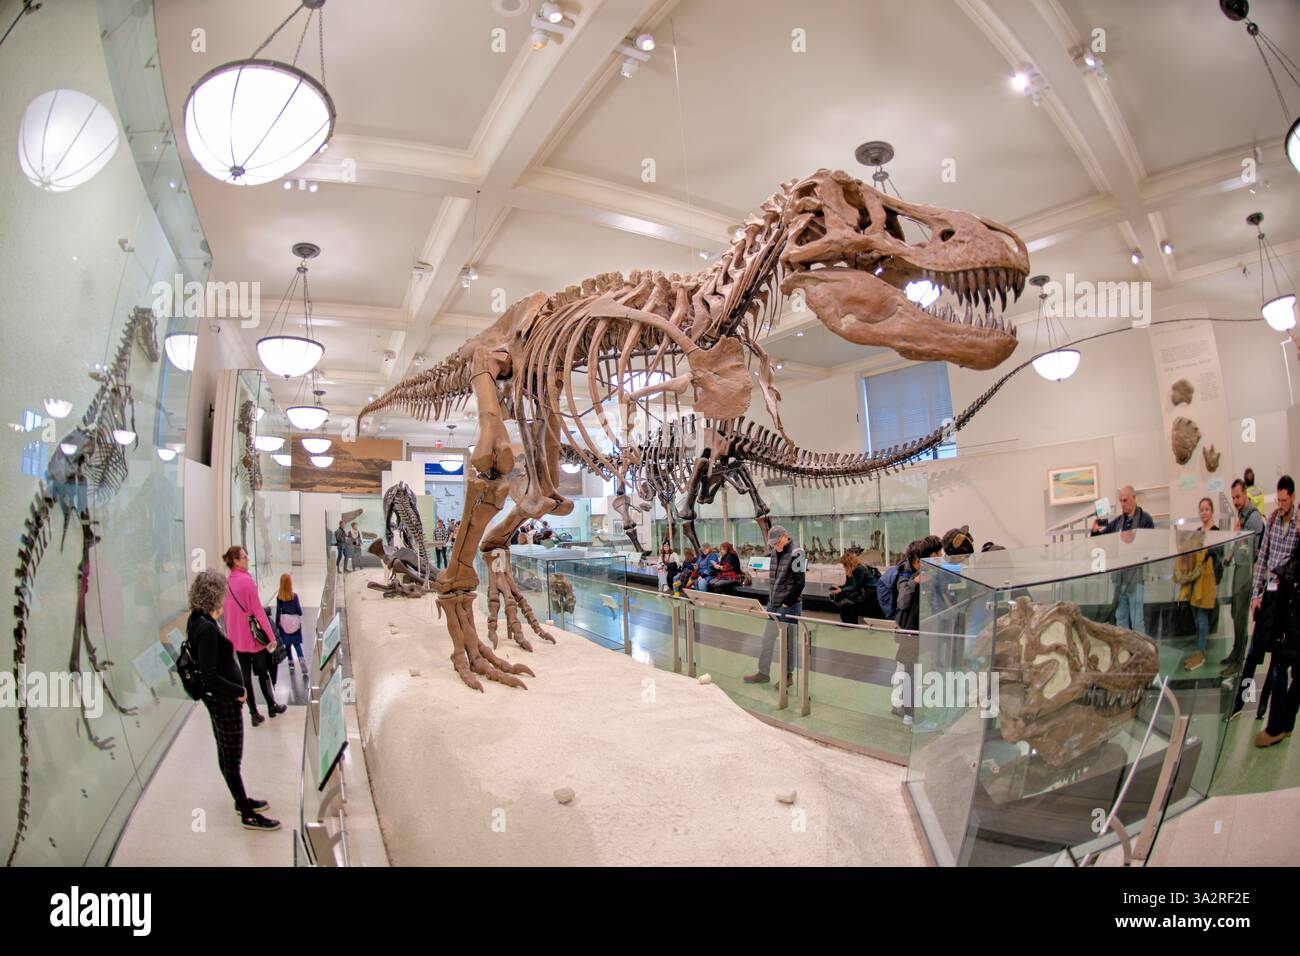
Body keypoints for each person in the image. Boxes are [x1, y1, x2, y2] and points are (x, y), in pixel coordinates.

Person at [187, 568, 279, 831]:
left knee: (227, 753)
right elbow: (209, 675)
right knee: (231, 756)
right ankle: (247, 813)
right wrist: (238, 691)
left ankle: (241, 800)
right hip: (223, 701)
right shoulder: (204, 628)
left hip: (222, 698)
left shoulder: (199, 619)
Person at [1232, 475, 1298, 723]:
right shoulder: (1271, 519)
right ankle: (1241, 699)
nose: (1280, 504)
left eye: (1284, 500)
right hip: (1269, 592)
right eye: (1278, 499)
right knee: (1254, 652)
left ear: (1292, 497)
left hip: (1286, 596)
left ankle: (1264, 704)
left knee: (1277, 656)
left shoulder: (1298, 524)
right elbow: (1263, 559)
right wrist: (1256, 596)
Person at [221, 546, 284, 726]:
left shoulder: (227, 582)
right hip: (252, 638)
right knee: (263, 672)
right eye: (244, 557)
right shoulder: (247, 582)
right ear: (235, 561)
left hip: (236, 639)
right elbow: (258, 612)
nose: (248, 559)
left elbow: (226, 612)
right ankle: (271, 705)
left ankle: (254, 713)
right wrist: (271, 636)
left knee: (245, 677)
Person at [744, 526, 805, 688]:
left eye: (777, 542)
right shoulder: (773, 552)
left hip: (789, 606)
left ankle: (787, 676)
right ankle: (763, 673)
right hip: (773, 604)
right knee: (767, 640)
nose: (775, 546)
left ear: (785, 537)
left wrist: (786, 603)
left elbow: (800, 583)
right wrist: (771, 601)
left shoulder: (797, 553)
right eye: (773, 544)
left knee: (788, 643)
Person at [892, 537, 944, 725]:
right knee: (909, 671)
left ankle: (915, 708)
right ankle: (908, 711)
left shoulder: (934, 575)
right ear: (918, 560)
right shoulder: (907, 577)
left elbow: (938, 603)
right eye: (935, 554)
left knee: (925, 670)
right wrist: (916, 583)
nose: (940, 557)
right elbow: (902, 602)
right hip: (911, 634)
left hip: (929, 631)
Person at [1090, 485, 1155, 633]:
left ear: (1134, 498)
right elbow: (1101, 541)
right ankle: (1125, 654)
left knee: (1137, 621)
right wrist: (1094, 531)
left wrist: (1132, 541)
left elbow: (1152, 547)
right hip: (1119, 580)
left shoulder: (1146, 520)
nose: (1122, 503)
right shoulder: (1117, 522)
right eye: (1120, 500)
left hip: (1136, 578)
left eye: (1125, 500)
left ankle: (1142, 653)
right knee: (1121, 619)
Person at [1224, 478, 1266, 668]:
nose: (1235, 501)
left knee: (1241, 615)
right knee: (1235, 612)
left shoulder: (1254, 518)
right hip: (1238, 568)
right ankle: (1235, 651)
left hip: (1248, 571)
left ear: (1245, 494)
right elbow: (1238, 543)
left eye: (1238, 497)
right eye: (1233, 498)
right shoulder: (1240, 515)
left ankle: (1239, 658)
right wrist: (1229, 556)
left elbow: (1254, 552)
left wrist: (1238, 537)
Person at [1175, 499, 1220, 672]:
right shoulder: (1197, 533)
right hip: (1195, 581)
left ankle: (1201, 653)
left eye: (1207, 509)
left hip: (1207, 581)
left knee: (1202, 618)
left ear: (1212, 511)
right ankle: (1197, 651)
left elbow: (1217, 555)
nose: (1204, 512)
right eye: (1201, 509)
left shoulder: (1216, 532)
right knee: (1196, 618)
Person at [829, 551, 881, 624]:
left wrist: (842, 590)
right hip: (862, 589)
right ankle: (847, 621)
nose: (843, 566)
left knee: (845, 599)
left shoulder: (858, 569)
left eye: (844, 564)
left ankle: (850, 622)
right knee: (842, 598)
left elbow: (857, 586)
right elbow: (848, 584)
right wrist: (839, 588)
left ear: (848, 563)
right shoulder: (850, 570)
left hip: (870, 591)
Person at [274, 573, 307, 673]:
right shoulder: (294, 596)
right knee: (297, 644)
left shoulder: (279, 597)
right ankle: (301, 660)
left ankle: (291, 663)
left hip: (284, 626)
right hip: (295, 625)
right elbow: (299, 610)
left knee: (287, 645)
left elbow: (278, 612)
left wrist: (277, 625)